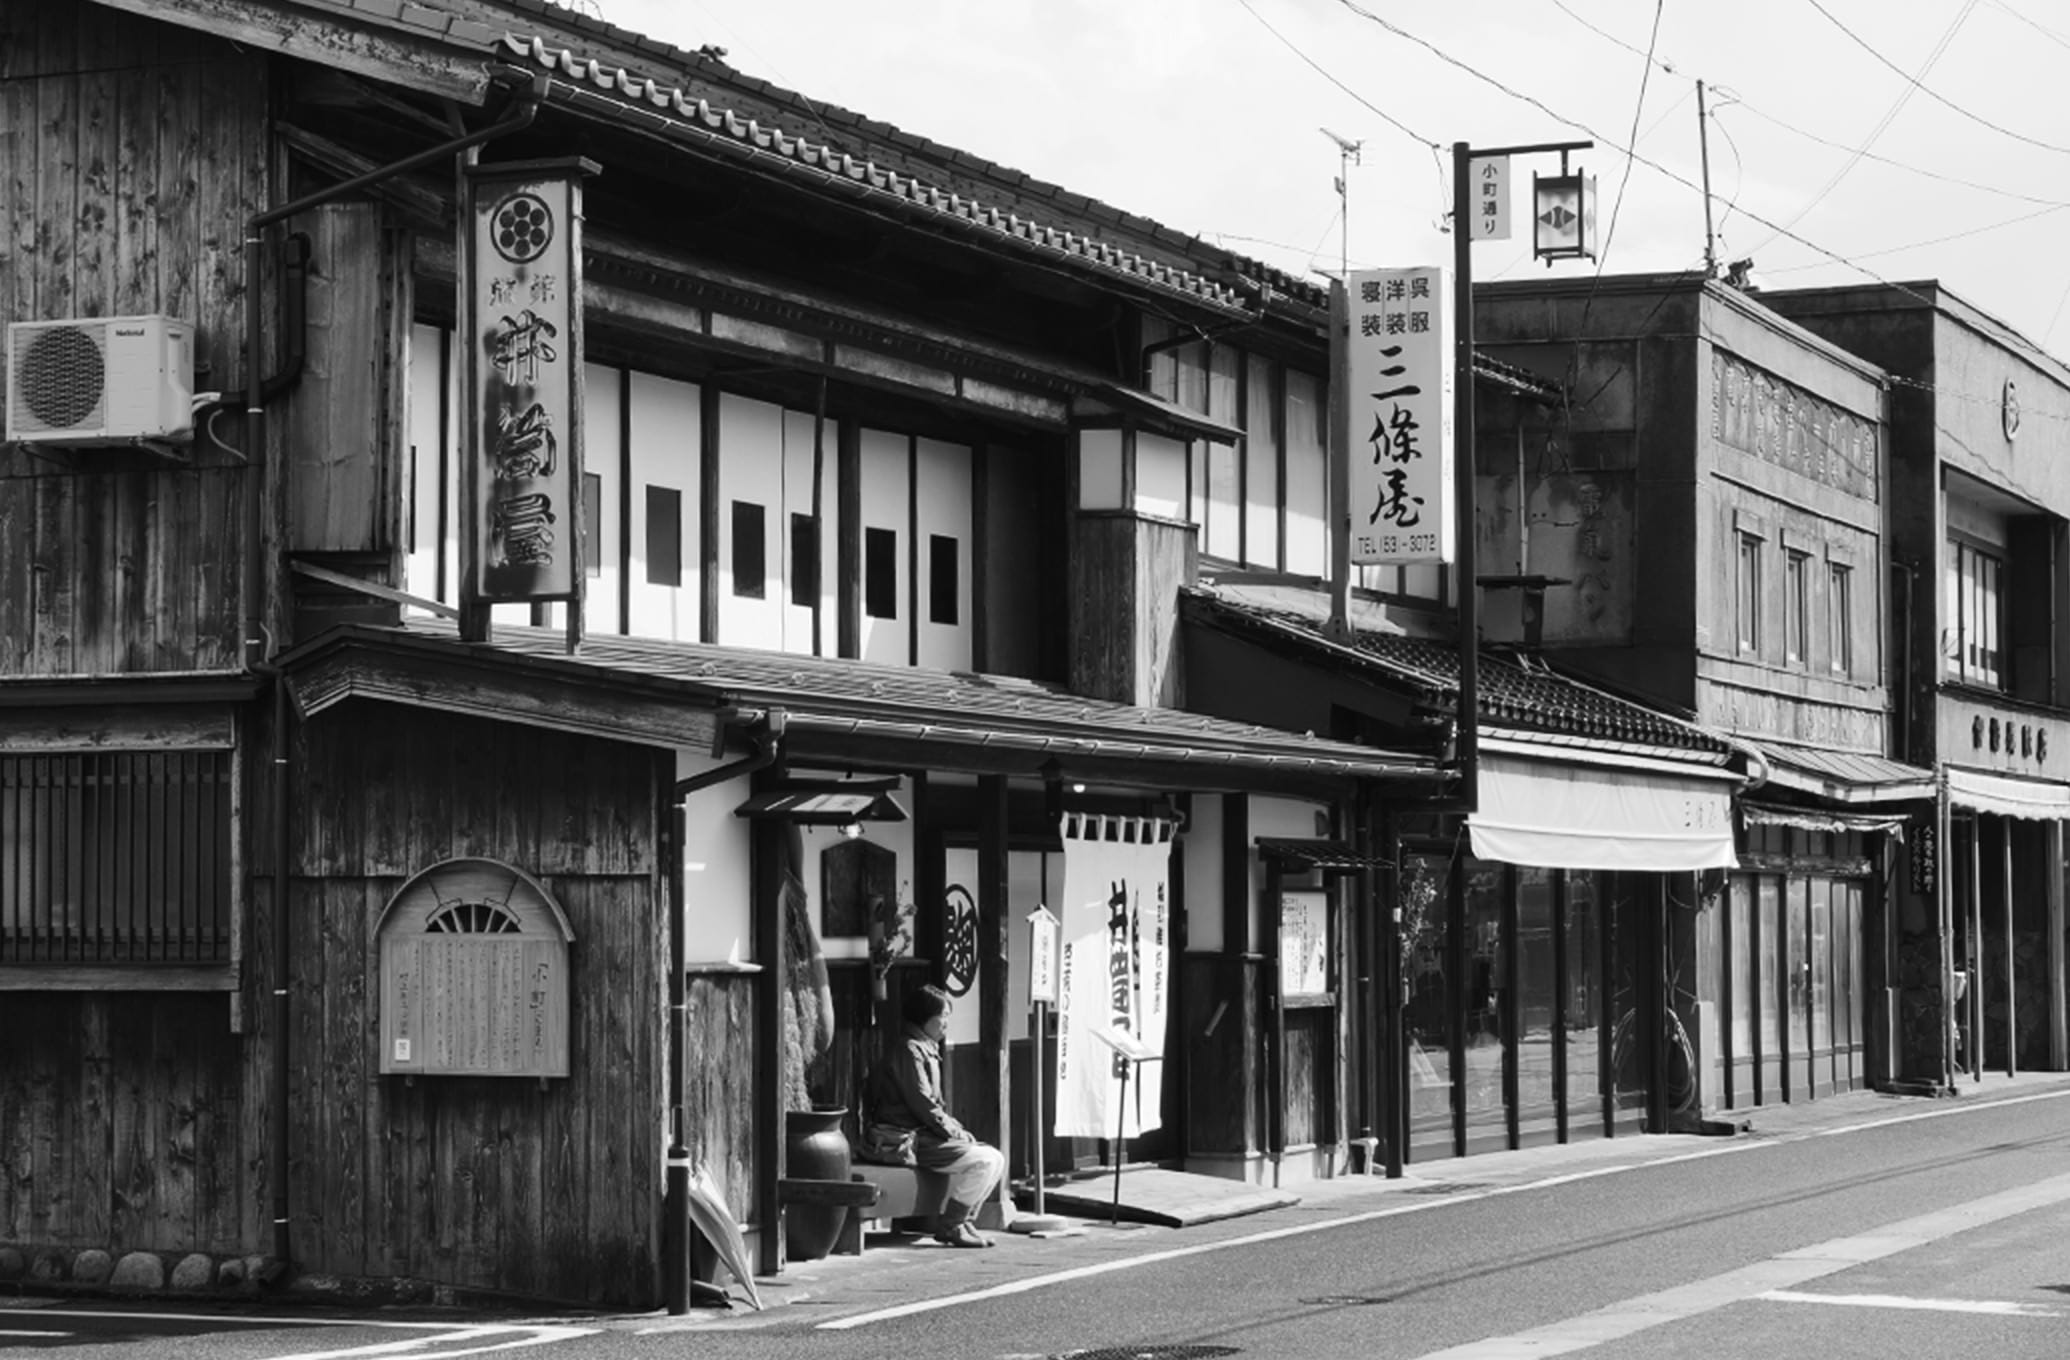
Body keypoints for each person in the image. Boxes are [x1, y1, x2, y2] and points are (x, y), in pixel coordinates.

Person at [867, 983, 1005, 1248]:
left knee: (995, 1159)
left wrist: (956, 1131)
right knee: (985, 1161)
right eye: (942, 1017)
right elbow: (923, 1104)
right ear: (924, 1017)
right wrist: (954, 1131)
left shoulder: (924, 1047)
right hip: (908, 1138)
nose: (945, 1024)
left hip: (925, 1134)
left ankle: (963, 1221)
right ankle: (951, 1225)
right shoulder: (910, 1050)